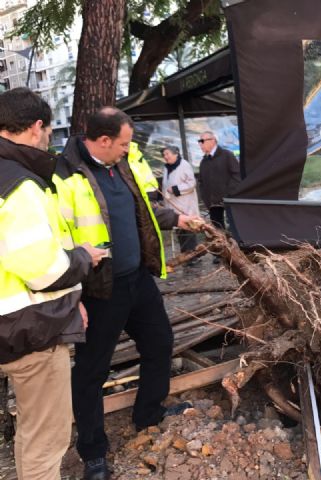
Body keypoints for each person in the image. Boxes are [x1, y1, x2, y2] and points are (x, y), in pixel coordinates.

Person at [54, 107, 201, 480]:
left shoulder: (120, 166)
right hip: (100, 290)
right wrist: (72, 299)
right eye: (122, 143)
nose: (127, 149)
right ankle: (93, 452)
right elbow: (58, 243)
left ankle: (148, 413)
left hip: (137, 279)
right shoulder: (64, 178)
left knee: (159, 343)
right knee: (92, 370)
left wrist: (177, 218)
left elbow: (143, 211)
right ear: (103, 141)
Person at [0, 87, 104, 480]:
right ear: (36, 128)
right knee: (45, 439)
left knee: (31, 432)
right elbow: (42, 271)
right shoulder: (21, 186)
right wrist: (82, 258)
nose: (49, 141)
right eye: (47, 131)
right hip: (29, 328)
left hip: (12, 326)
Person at [161, 145, 200, 258]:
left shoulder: (184, 165)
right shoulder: (166, 168)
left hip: (185, 204)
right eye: (164, 155)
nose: (165, 157)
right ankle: (185, 255)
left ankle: (193, 256)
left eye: (167, 154)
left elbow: (191, 183)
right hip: (173, 204)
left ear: (175, 154)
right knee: (180, 230)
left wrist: (175, 189)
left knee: (188, 230)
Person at [197, 131, 240, 230]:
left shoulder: (227, 155)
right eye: (199, 142)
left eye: (202, 141)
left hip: (229, 201)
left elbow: (237, 175)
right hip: (213, 205)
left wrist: (229, 194)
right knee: (218, 233)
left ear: (213, 141)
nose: (200, 144)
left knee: (235, 230)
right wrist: (206, 199)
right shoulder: (204, 161)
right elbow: (201, 182)